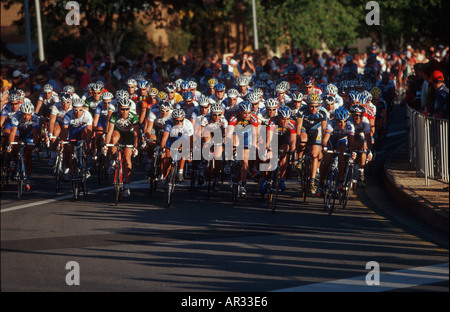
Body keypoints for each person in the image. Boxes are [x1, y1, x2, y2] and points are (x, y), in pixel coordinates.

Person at [105, 98, 140, 197]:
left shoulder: (133, 117)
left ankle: (127, 185)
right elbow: (110, 131)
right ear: (118, 109)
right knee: (114, 138)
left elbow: (136, 134)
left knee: (127, 158)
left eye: (126, 109)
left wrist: (135, 147)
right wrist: (107, 145)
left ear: (129, 109)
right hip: (118, 132)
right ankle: (112, 160)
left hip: (129, 135)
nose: (124, 111)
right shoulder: (114, 115)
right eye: (122, 109)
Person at [317, 107, 355, 196]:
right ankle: (321, 183)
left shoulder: (350, 126)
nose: (342, 124)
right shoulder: (331, 123)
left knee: (342, 155)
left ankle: (340, 181)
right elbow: (325, 140)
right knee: (327, 161)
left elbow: (351, 143)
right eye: (339, 122)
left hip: (341, 142)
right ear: (335, 120)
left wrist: (353, 152)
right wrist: (325, 148)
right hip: (331, 142)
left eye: (344, 121)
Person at [295, 93, 328, 194]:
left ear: (319, 105)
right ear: (307, 104)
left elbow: (323, 128)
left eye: (316, 106)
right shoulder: (302, 110)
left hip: (316, 130)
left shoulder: (323, 112)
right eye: (311, 106)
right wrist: (298, 137)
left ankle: (312, 181)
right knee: (303, 140)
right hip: (305, 127)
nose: (314, 108)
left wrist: (323, 143)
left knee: (314, 155)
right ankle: (300, 160)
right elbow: (299, 125)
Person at [227, 101, 259, 197]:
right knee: (233, 141)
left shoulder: (253, 118)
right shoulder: (234, 117)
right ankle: (230, 162)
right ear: (240, 112)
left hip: (247, 136)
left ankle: (243, 184)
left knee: (245, 162)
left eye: (249, 113)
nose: (247, 115)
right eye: (245, 113)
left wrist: (253, 145)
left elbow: (255, 134)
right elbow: (229, 132)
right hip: (237, 134)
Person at [263, 106, 296, 193]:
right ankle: (264, 179)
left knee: (285, 153)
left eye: (288, 119)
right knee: (267, 157)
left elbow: (293, 140)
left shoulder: (292, 123)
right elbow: (269, 136)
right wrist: (267, 147)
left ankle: (281, 179)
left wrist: (292, 151)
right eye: (283, 119)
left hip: (284, 140)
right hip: (274, 139)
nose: (286, 121)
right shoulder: (273, 121)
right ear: (279, 117)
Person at [7, 102, 40, 190]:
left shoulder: (35, 118)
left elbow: (35, 134)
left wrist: (36, 146)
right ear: (21, 113)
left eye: (28, 115)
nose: (26, 117)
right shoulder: (16, 116)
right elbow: (13, 132)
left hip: (29, 134)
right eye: (24, 115)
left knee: (27, 155)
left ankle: (28, 177)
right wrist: (10, 145)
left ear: (31, 113)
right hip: (19, 132)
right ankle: (14, 159)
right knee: (15, 142)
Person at [60, 98, 93, 179]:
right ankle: (68, 168)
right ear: (73, 109)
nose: (78, 112)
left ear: (83, 109)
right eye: (75, 110)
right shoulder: (67, 115)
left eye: (80, 110)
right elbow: (64, 131)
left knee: (86, 134)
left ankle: (87, 160)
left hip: (82, 130)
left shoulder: (87, 115)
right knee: (68, 149)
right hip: (73, 131)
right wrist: (61, 142)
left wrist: (87, 143)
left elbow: (89, 131)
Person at [160, 108, 194, 186]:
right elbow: (164, 137)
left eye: (181, 121)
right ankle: (163, 177)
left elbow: (190, 140)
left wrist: (190, 152)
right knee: (167, 158)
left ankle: (180, 172)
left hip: (183, 139)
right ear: (173, 119)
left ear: (184, 119)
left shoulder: (188, 124)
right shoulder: (169, 123)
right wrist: (163, 150)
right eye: (177, 121)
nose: (179, 123)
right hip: (171, 139)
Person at [200, 103, 228, 190]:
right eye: (214, 114)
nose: (217, 116)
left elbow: (226, 133)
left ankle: (216, 178)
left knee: (218, 158)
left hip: (218, 136)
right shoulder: (206, 118)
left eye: (219, 114)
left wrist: (224, 140)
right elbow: (201, 131)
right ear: (211, 113)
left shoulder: (223, 120)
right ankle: (203, 163)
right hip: (208, 135)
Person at [48, 92, 73, 165]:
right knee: (55, 133)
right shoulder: (56, 105)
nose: (65, 105)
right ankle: (52, 156)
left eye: (67, 102)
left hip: (69, 124)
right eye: (63, 102)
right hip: (59, 123)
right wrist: (50, 133)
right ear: (60, 101)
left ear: (70, 102)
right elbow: (52, 120)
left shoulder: (73, 107)